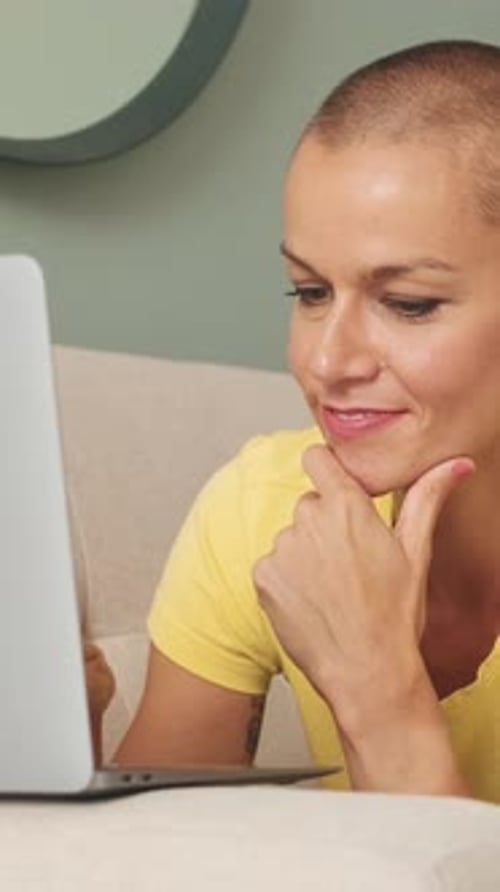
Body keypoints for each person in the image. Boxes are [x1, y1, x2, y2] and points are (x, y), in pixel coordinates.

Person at [96, 39, 500, 802]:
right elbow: (160, 854)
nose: (327, 360)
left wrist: (381, 699)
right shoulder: (262, 508)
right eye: (310, 292)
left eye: (407, 303)